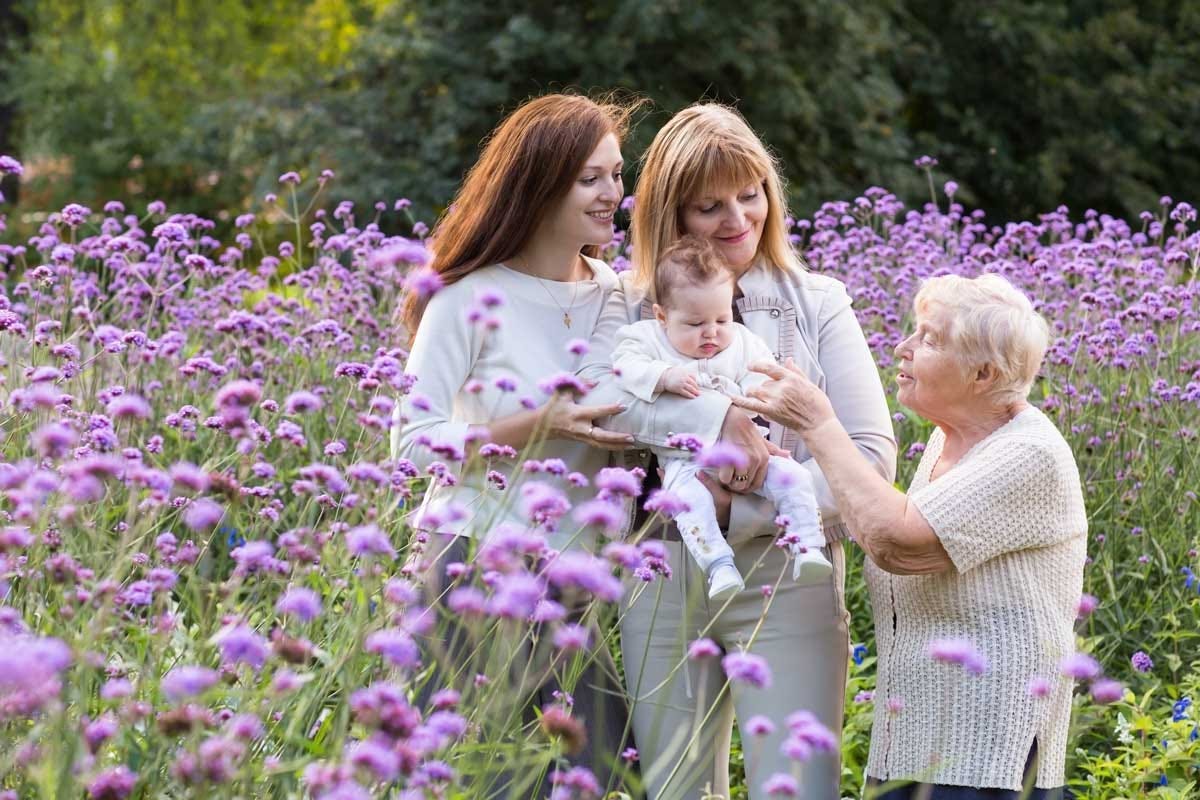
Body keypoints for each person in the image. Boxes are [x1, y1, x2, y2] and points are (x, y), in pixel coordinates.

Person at [579, 103, 897, 799]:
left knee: (797, 785)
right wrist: (717, 414)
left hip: (790, 573)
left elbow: (869, 459)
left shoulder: (818, 302)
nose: (737, 219)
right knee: (676, 788)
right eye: (708, 206)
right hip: (660, 575)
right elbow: (602, 403)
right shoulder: (625, 307)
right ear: (669, 216)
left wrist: (742, 511)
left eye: (750, 195)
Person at [734, 273, 1085, 799]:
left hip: (989, 758)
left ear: (983, 374)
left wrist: (819, 425)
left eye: (929, 339)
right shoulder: (949, 446)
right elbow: (871, 513)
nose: (902, 348)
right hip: (916, 746)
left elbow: (896, 541)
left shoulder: (1026, 453)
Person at [392, 93, 640, 796]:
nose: (611, 195)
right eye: (590, 177)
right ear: (539, 181)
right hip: (474, 568)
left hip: (582, 581)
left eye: (616, 175)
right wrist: (538, 425)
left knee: (597, 779)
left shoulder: (621, 295)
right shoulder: (465, 296)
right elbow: (411, 445)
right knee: (487, 781)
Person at [610, 234, 830, 600]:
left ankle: (806, 543)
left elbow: (761, 383)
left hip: (747, 453)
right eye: (695, 324)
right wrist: (663, 376)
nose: (711, 333)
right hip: (685, 461)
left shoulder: (742, 342)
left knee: (792, 476)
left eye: (721, 318)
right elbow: (624, 368)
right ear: (662, 316)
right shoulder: (645, 338)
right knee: (689, 504)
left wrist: (744, 405)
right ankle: (718, 565)